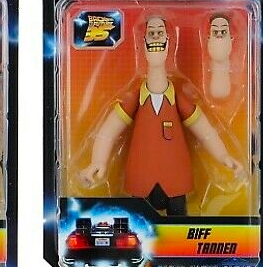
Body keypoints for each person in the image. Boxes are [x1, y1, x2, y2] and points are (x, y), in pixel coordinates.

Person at [79, 16, 243, 215]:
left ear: (168, 42)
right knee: (139, 223)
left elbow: (205, 132)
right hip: (140, 176)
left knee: (178, 222)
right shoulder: (134, 99)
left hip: (175, 177)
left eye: (160, 33)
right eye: (151, 33)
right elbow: (107, 133)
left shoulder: (179, 99)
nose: (156, 37)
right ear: (143, 43)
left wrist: (223, 156)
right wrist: (98, 161)